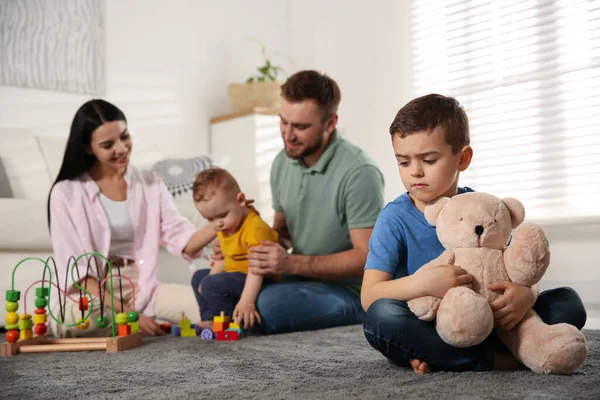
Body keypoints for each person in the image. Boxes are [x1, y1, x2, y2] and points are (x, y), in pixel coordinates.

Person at [361, 94, 587, 373]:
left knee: (568, 302)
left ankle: (443, 357)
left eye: (429, 160)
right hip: (431, 322)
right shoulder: (394, 218)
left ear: (463, 158)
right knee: (381, 319)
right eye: (403, 162)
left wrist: (526, 295)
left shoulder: (481, 209)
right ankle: (501, 360)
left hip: (493, 317)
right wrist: (423, 283)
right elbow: (370, 294)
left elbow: (511, 267)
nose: (415, 172)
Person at [225, 70, 385, 334]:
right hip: (301, 278)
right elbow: (283, 234)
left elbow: (367, 257)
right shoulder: (281, 161)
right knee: (222, 286)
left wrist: (292, 264)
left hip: (350, 289)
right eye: (283, 122)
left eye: (300, 127)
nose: (288, 135)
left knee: (269, 305)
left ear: (330, 122)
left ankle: (361, 311)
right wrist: (243, 234)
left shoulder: (359, 172)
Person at [47, 99, 216, 338]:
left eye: (124, 137)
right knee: (78, 320)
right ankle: (139, 323)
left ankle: (138, 324)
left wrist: (219, 224)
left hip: (140, 286)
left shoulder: (149, 183)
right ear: (87, 148)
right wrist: (130, 315)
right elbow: (79, 275)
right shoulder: (65, 193)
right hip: (94, 292)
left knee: (213, 306)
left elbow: (181, 237)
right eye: (108, 145)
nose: (122, 148)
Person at [190, 168, 278, 329]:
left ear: (241, 200)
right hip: (235, 275)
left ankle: (232, 322)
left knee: (213, 284)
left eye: (222, 215)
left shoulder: (255, 228)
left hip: (259, 279)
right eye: (210, 219)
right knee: (199, 278)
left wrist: (247, 300)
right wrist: (208, 279)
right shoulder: (226, 227)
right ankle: (210, 318)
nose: (218, 224)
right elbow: (223, 258)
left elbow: (257, 269)